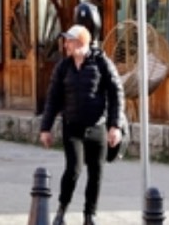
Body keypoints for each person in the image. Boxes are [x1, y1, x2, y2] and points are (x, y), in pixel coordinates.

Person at [39, 25, 125, 225]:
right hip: (72, 127)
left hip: (98, 127)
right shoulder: (63, 67)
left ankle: (90, 215)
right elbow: (52, 99)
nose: (65, 44)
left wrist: (115, 126)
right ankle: (61, 211)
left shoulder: (102, 62)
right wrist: (46, 128)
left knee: (96, 173)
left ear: (80, 43)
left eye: (69, 41)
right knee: (74, 169)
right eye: (66, 40)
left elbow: (117, 94)